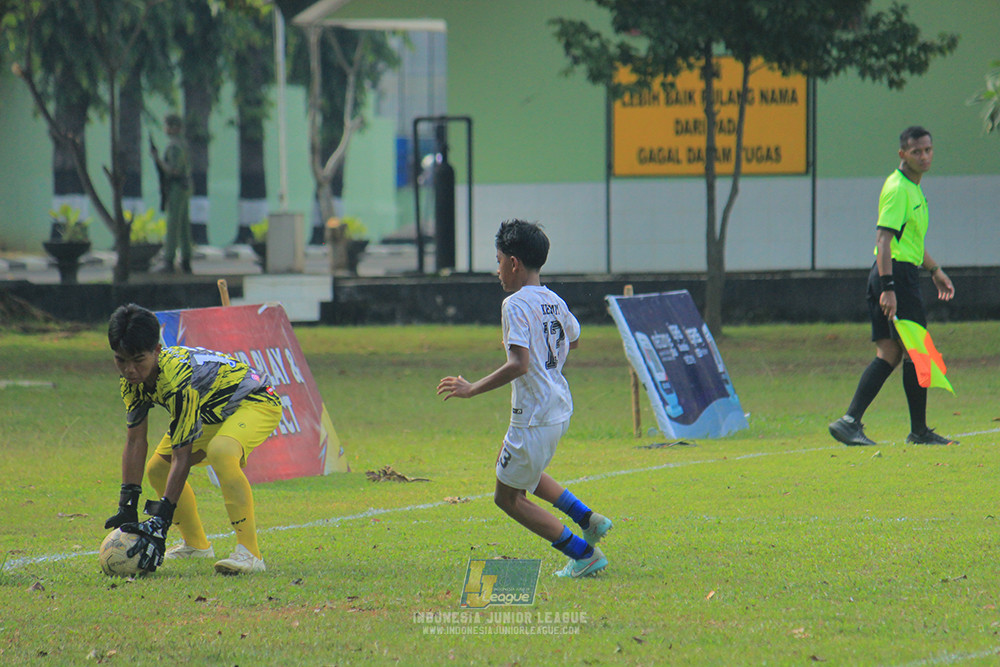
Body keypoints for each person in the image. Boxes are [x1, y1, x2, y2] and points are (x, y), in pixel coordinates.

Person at [436, 219, 612, 578]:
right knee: (522, 472)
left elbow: (519, 364)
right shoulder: (554, 300)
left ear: (514, 263)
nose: (497, 269)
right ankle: (588, 520)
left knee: (507, 498)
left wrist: (471, 388)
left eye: (499, 260)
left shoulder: (514, 304)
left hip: (532, 415)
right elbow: (574, 339)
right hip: (557, 408)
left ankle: (584, 554)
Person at [105, 303, 283, 574]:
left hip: (256, 400)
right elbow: (135, 441)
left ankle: (250, 554)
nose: (129, 370)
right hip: (211, 411)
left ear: (157, 350)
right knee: (158, 468)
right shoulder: (131, 383)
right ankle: (196, 545)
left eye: (138, 360)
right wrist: (127, 503)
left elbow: (183, 455)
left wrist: (163, 516)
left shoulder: (178, 381)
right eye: (121, 360)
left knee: (222, 451)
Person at [828, 126, 957, 447]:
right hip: (894, 277)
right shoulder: (899, 188)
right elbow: (884, 241)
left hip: (897, 274)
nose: (924, 156)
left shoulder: (914, 188)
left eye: (928, 150)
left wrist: (934, 269)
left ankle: (849, 422)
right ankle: (919, 432)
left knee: (889, 352)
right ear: (903, 154)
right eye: (916, 152)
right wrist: (889, 288)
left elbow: (909, 240)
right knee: (917, 352)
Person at [151, 114, 193, 274]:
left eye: (168, 125)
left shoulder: (174, 147)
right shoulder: (182, 143)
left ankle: (168, 260)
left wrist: (157, 160)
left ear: (174, 127)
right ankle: (186, 260)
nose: (166, 129)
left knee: (173, 223)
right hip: (184, 186)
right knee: (183, 225)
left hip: (177, 187)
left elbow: (174, 170)